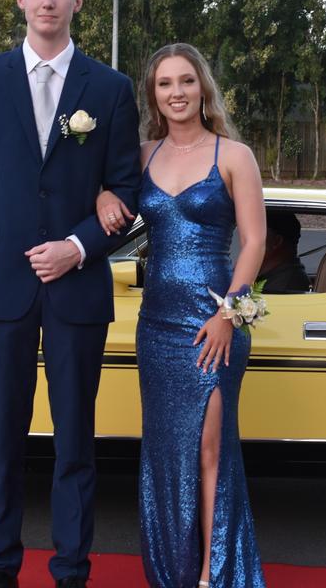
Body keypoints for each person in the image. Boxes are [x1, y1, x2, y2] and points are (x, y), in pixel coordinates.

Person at [0, 0, 141, 588]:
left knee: (75, 441)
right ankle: (0, 564)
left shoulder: (109, 90)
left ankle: (71, 567)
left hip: (76, 287)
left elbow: (127, 196)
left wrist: (78, 247)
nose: (49, 0)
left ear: (78, 1)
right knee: (1, 436)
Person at [97, 43, 267, 588]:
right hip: (158, 326)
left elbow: (255, 242)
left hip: (214, 324)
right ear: (154, 94)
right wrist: (104, 193)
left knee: (210, 448)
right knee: (168, 451)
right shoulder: (141, 155)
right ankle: (173, 569)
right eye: (165, 83)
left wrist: (230, 314)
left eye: (187, 81)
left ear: (203, 88)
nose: (177, 92)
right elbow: (112, 210)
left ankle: (211, 575)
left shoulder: (233, 155)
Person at [257, 211, 311, 293]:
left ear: (277, 241)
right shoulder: (277, 277)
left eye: (256, 231)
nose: (251, 238)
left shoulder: (283, 288)